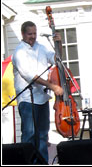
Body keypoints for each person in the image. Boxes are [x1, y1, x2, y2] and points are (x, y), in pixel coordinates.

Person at [12, 21, 63, 163]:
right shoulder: (19, 52)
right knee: (29, 135)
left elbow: (57, 60)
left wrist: (59, 44)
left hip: (42, 98)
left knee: (42, 136)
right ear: (23, 34)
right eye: (30, 34)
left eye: (34, 33)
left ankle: (42, 163)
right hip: (27, 99)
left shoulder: (41, 48)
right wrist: (52, 86)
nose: (33, 36)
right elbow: (30, 76)